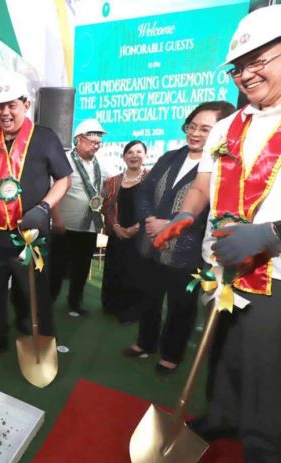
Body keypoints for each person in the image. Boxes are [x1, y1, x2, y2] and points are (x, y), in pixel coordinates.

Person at [154, 6, 281, 460]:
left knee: (267, 370)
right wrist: (184, 216)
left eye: (258, 61)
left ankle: (265, 448)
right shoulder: (227, 126)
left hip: (275, 275)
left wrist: (271, 234)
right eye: (238, 67)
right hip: (222, 263)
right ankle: (222, 416)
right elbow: (204, 185)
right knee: (222, 352)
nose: (246, 74)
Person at [0, 73, 72, 360]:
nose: (5, 112)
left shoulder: (45, 137)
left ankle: (45, 340)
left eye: (11, 105)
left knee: (36, 291)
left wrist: (44, 208)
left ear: (25, 104)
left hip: (30, 236)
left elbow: (64, 179)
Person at [123, 102, 235, 375]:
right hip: (151, 243)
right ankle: (144, 342)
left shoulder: (224, 167)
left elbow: (216, 212)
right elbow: (145, 192)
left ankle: (170, 355)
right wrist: (151, 221)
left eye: (205, 129)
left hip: (187, 251)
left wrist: (170, 224)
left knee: (180, 307)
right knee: (149, 298)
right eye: (191, 126)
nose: (195, 133)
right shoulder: (170, 157)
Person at [50, 118, 115, 317]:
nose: (96, 144)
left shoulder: (100, 165)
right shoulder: (63, 161)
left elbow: (108, 187)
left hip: (89, 228)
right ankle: (48, 302)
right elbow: (52, 191)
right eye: (92, 140)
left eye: (99, 141)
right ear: (78, 139)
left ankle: (75, 302)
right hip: (64, 226)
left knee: (82, 267)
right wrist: (56, 219)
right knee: (56, 268)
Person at [101, 140, 149, 324]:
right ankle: (111, 306)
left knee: (135, 273)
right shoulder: (112, 182)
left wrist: (136, 228)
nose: (134, 155)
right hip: (117, 234)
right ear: (124, 156)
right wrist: (116, 227)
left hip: (141, 235)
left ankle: (131, 311)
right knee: (115, 269)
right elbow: (106, 207)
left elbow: (155, 207)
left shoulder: (151, 180)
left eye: (138, 152)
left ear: (145, 156)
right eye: (129, 152)